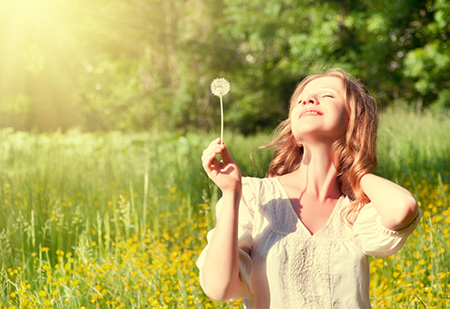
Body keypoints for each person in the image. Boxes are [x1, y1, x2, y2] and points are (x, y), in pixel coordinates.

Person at [197, 68, 421, 308]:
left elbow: (403, 209)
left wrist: (355, 171)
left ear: (353, 122)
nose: (308, 99)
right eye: (302, 98)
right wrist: (231, 193)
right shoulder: (255, 196)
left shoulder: (357, 210)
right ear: (294, 133)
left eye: (327, 96)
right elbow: (219, 288)